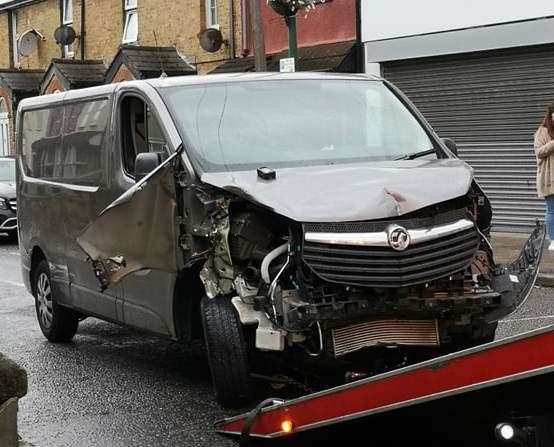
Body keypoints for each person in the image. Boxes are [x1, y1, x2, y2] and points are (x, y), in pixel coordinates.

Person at [534, 105, 554, 250]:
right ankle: (553, 239)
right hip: (549, 178)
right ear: (551, 116)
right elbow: (539, 151)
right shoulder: (542, 132)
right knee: (552, 209)